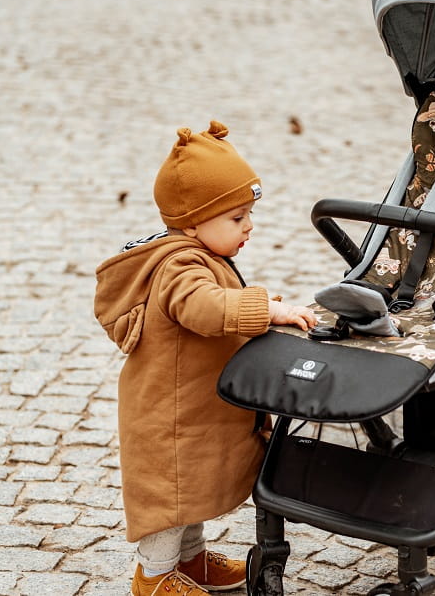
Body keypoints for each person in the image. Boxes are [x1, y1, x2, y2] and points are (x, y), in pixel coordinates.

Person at [94, 121, 317, 595]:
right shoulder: (179, 265)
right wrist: (267, 309)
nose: (249, 226)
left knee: (189, 491)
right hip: (168, 414)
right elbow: (204, 307)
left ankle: (191, 564)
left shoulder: (197, 253)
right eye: (237, 218)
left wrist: (270, 314)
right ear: (194, 221)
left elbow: (220, 302)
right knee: (170, 499)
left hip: (191, 409)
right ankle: (153, 579)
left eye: (249, 214)